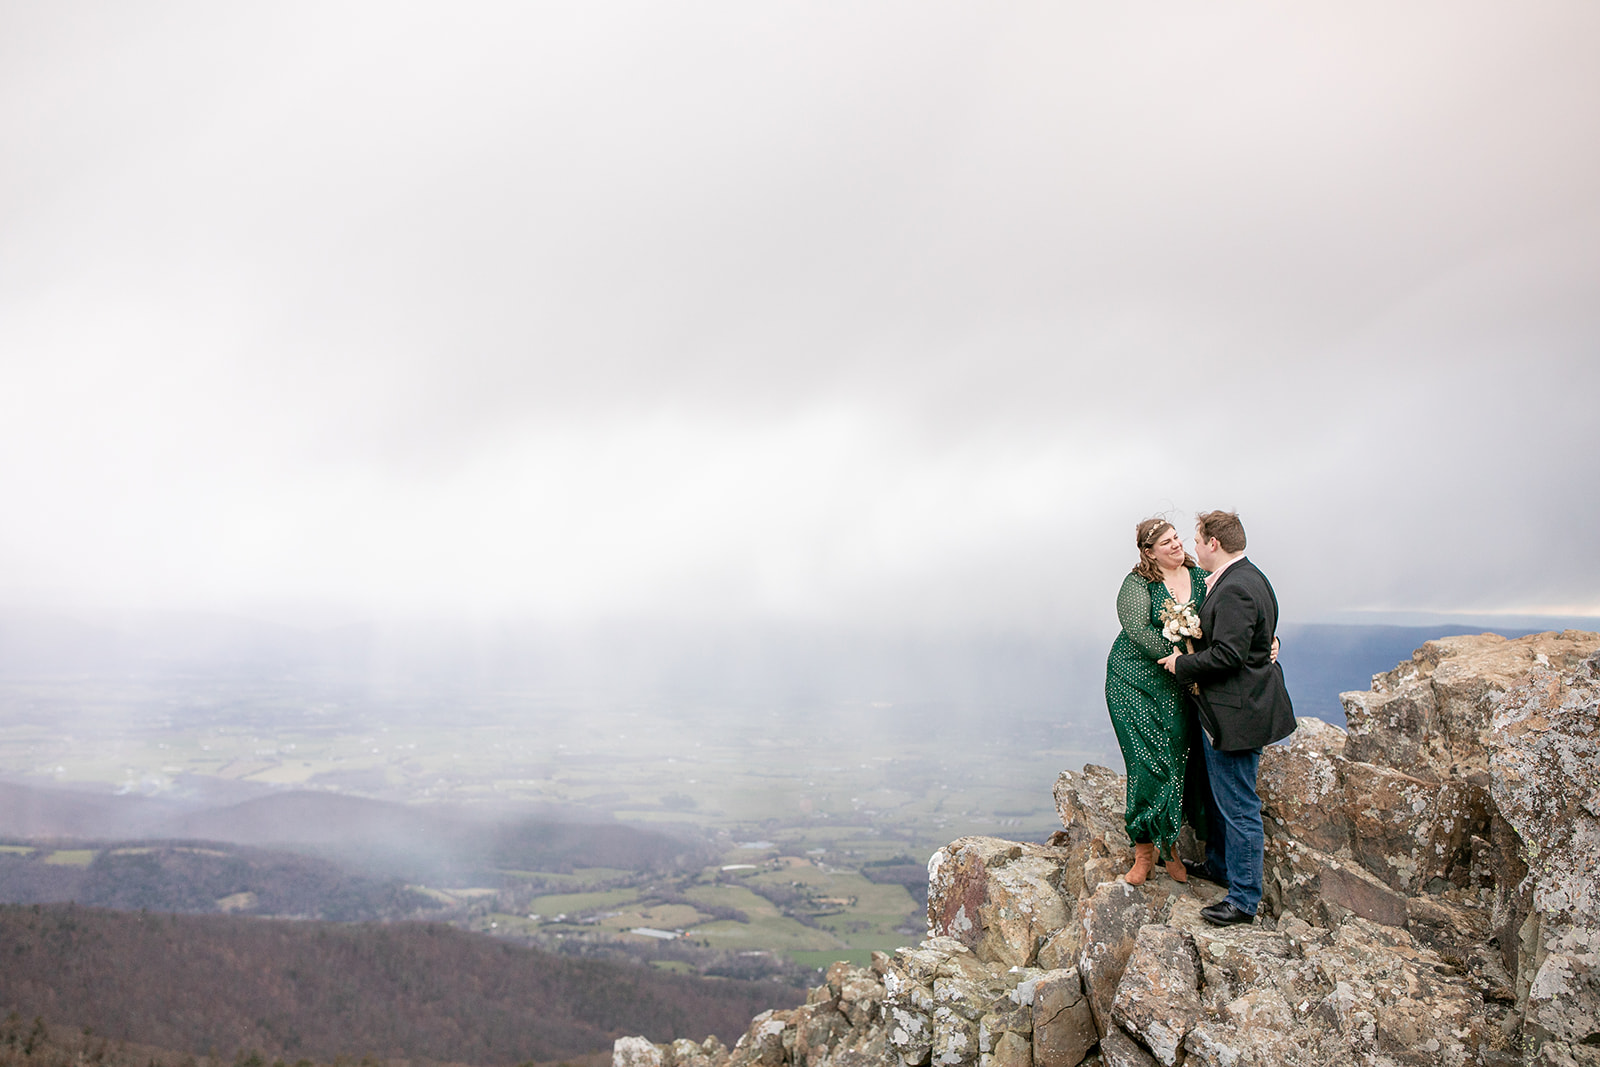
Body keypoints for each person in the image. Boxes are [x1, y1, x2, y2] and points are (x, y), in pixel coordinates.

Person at [1159, 510, 1295, 926]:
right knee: (1222, 798)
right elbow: (1255, 636)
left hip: (1236, 714)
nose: (1193, 548)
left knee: (1238, 806)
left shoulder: (1235, 587)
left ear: (1213, 543)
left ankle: (1243, 900)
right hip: (1231, 709)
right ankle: (1220, 867)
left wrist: (1182, 665)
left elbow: (1230, 655)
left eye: (1197, 540)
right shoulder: (1251, 577)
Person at [1104, 517, 1210, 886]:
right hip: (1132, 680)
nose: (1177, 545)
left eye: (1177, 538)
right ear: (1149, 552)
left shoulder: (1200, 579)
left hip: (1177, 684)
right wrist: (1182, 655)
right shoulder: (1138, 584)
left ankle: (1171, 847)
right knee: (1143, 760)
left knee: (1176, 758)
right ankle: (1144, 850)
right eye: (1166, 543)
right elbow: (1138, 630)